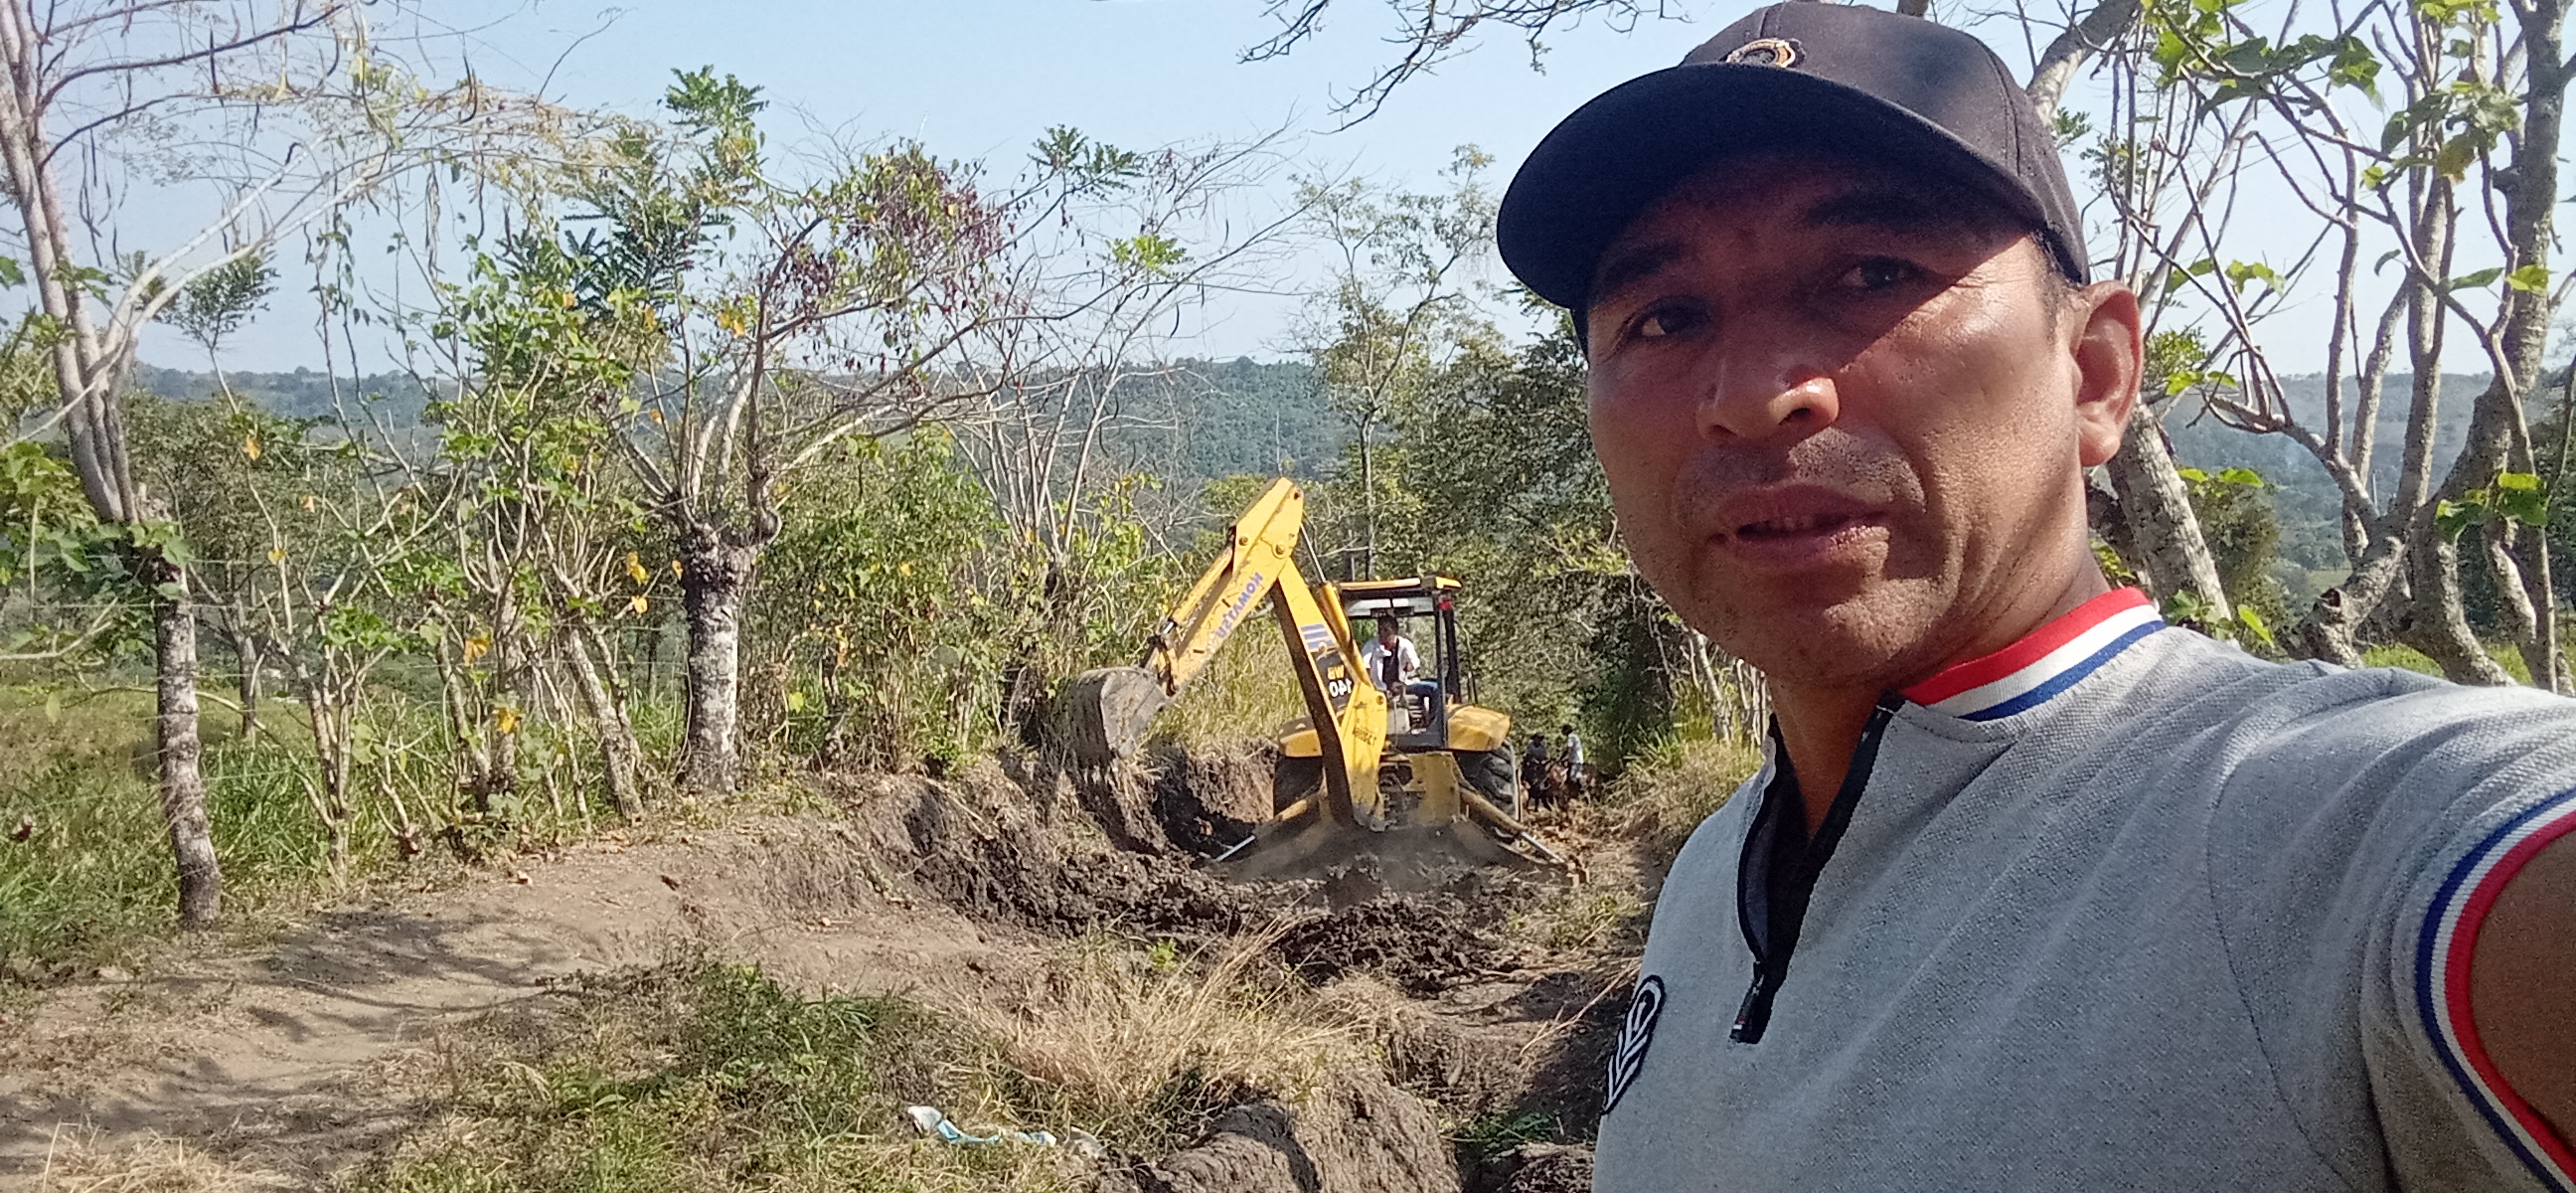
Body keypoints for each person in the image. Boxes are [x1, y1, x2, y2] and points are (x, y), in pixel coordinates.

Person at [1495, 4, 2576, 1190]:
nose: (1755, 395)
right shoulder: (1711, 875)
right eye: (1665, 317)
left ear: (2095, 373)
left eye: (1873, 273)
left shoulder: (2339, 837)